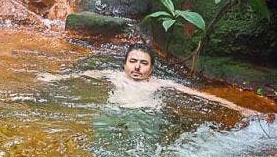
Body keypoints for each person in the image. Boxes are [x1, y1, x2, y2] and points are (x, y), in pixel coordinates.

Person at [40, 43, 260, 117]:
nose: (137, 67)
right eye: (133, 61)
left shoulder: (161, 84)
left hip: (146, 117)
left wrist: (239, 109)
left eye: (143, 63)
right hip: (113, 112)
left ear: (152, 69)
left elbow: (200, 95)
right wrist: (55, 78)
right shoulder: (113, 75)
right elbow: (84, 74)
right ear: (124, 64)